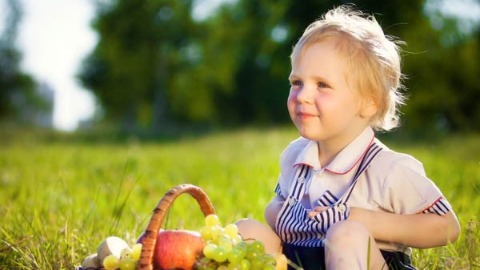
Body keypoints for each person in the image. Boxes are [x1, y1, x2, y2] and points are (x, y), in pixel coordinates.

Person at [261, 5, 461, 270]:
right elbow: (277, 206)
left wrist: (365, 220)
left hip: (364, 261)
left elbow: (447, 227)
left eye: (322, 85)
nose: (303, 95)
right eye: (297, 82)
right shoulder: (295, 156)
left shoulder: (388, 169)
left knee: (345, 236)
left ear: (368, 102)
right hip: (301, 259)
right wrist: (279, 214)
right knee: (250, 233)